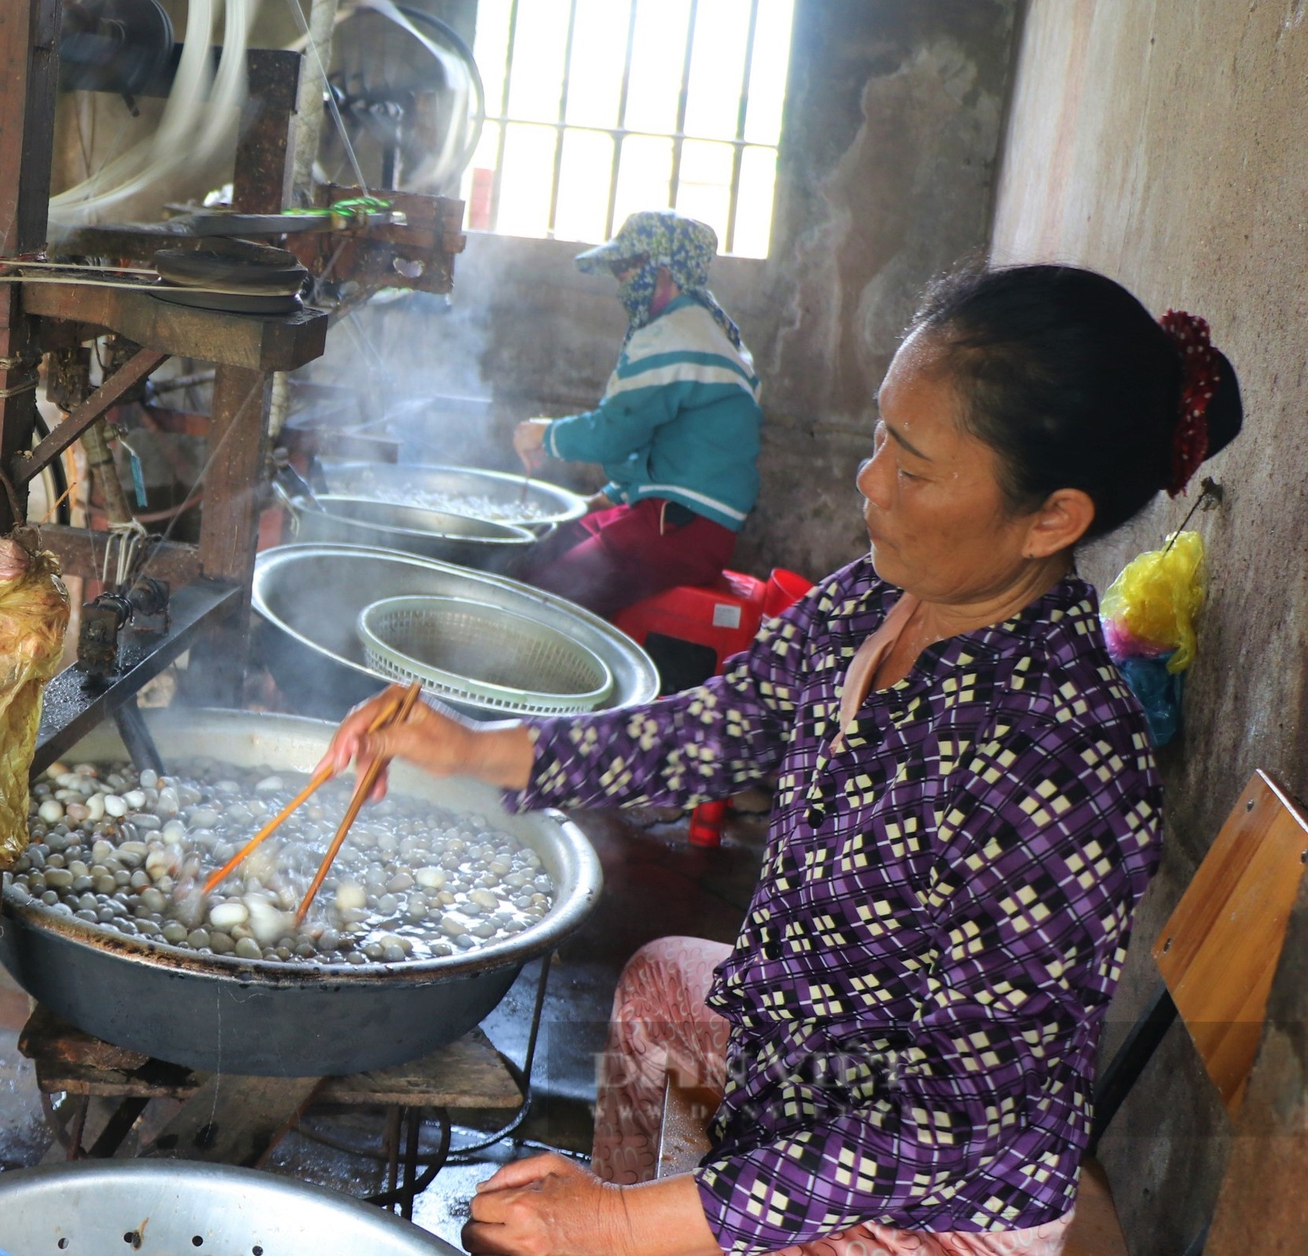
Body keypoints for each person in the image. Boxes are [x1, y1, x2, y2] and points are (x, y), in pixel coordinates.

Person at [320, 263, 1243, 1256]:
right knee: (658, 983)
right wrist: (461, 745)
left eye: (913, 466)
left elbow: (955, 1124)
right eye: (881, 434)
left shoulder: (1063, 757)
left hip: (936, 1191)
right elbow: (709, 728)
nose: (868, 479)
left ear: (1049, 517)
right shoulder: (868, 603)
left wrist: (623, 1222)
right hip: (803, 1068)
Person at [510, 210, 763, 617]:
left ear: (665, 270)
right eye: (617, 268)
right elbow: (664, 445)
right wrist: (605, 499)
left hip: (682, 527)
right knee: (544, 549)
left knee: (550, 597)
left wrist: (543, 434)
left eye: (628, 266)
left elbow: (615, 432)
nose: (621, 279)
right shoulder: (703, 330)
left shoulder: (675, 334)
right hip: (671, 518)